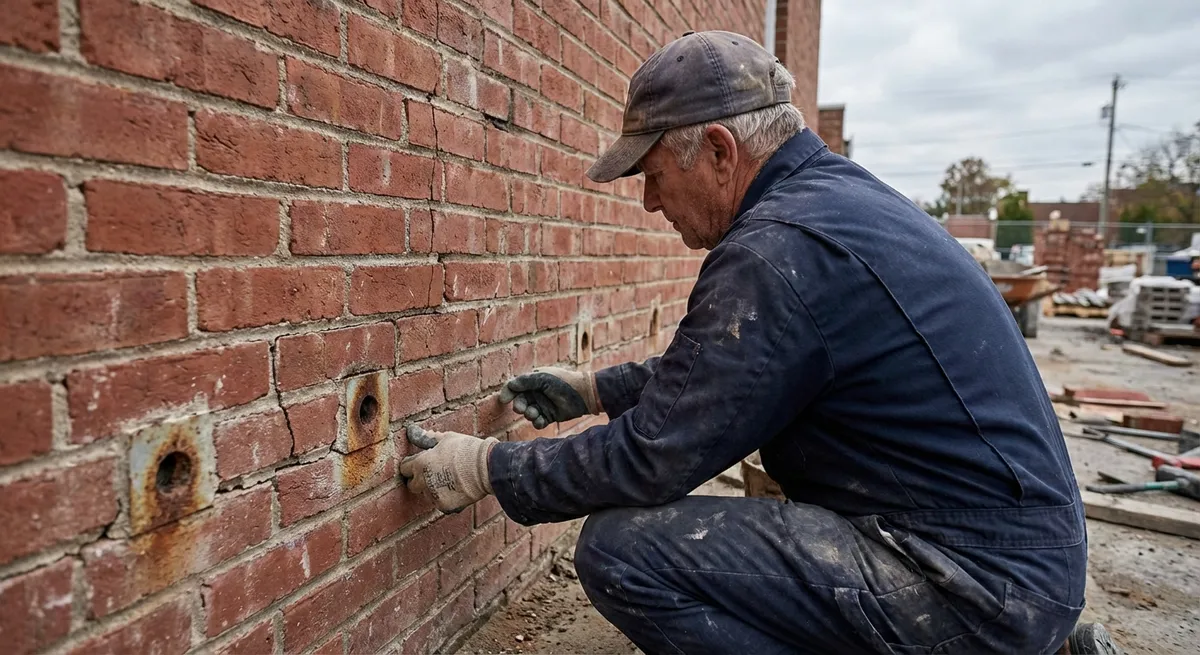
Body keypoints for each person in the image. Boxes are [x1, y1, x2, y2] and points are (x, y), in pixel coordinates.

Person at [401, 31, 1121, 654]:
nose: (650, 202)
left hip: (968, 581)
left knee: (624, 553)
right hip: (1013, 562)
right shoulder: (831, 206)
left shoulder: (777, 252)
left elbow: (655, 457)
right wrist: (592, 390)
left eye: (653, 176)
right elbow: (728, 374)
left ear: (718, 149)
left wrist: (487, 468)